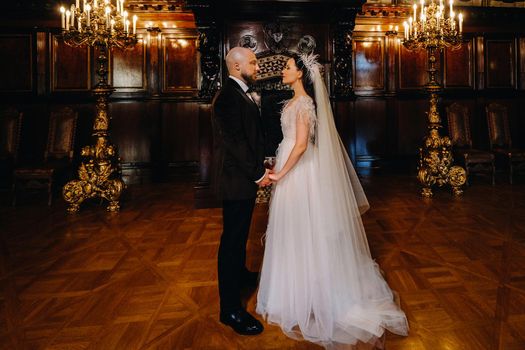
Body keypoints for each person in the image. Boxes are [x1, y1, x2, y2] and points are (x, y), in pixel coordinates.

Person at [256, 53, 409, 349]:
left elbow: (301, 146)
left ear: (300, 74)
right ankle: (292, 288)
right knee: (293, 229)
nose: (283, 72)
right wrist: (278, 165)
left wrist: (281, 173)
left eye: (287, 68)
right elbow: (290, 143)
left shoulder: (303, 104)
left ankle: (312, 291)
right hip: (289, 167)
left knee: (305, 229)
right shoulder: (290, 103)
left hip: (299, 173)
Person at [212, 46, 271, 336]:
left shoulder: (240, 94)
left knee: (239, 235)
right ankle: (230, 310)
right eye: (252, 62)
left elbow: (250, 136)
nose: (257, 66)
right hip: (236, 181)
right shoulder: (227, 98)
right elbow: (235, 143)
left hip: (242, 180)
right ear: (236, 67)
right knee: (232, 241)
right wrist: (258, 173)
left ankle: (242, 275)